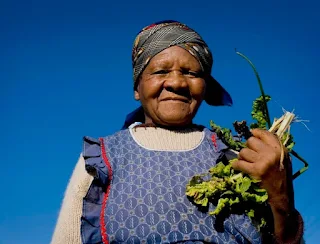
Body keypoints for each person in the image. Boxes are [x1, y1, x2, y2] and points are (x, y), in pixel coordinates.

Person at [51, 20, 304, 244]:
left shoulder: (238, 159)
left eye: (191, 73)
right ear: (137, 88)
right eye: (160, 71)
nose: (176, 83)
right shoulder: (102, 158)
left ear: (205, 87)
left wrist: (281, 199)